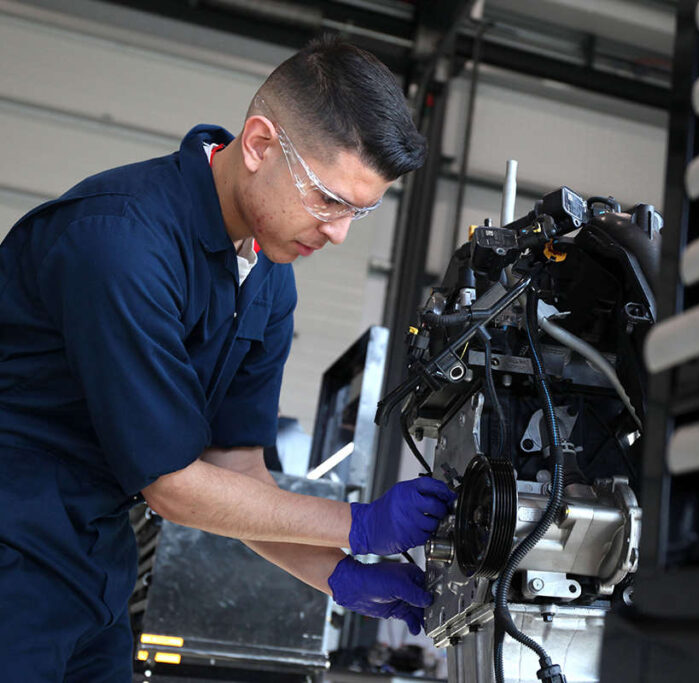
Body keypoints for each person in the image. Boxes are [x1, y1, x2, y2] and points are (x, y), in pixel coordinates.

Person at [0, 36, 454, 681]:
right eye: (328, 199)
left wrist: (337, 574)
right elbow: (174, 485)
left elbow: (235, 471)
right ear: (260, 145)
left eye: (361, 210)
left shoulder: (269, 278)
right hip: (13, 546)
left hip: (92, 567)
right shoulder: (121, 243)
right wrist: (359, 524)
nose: (339, 232)